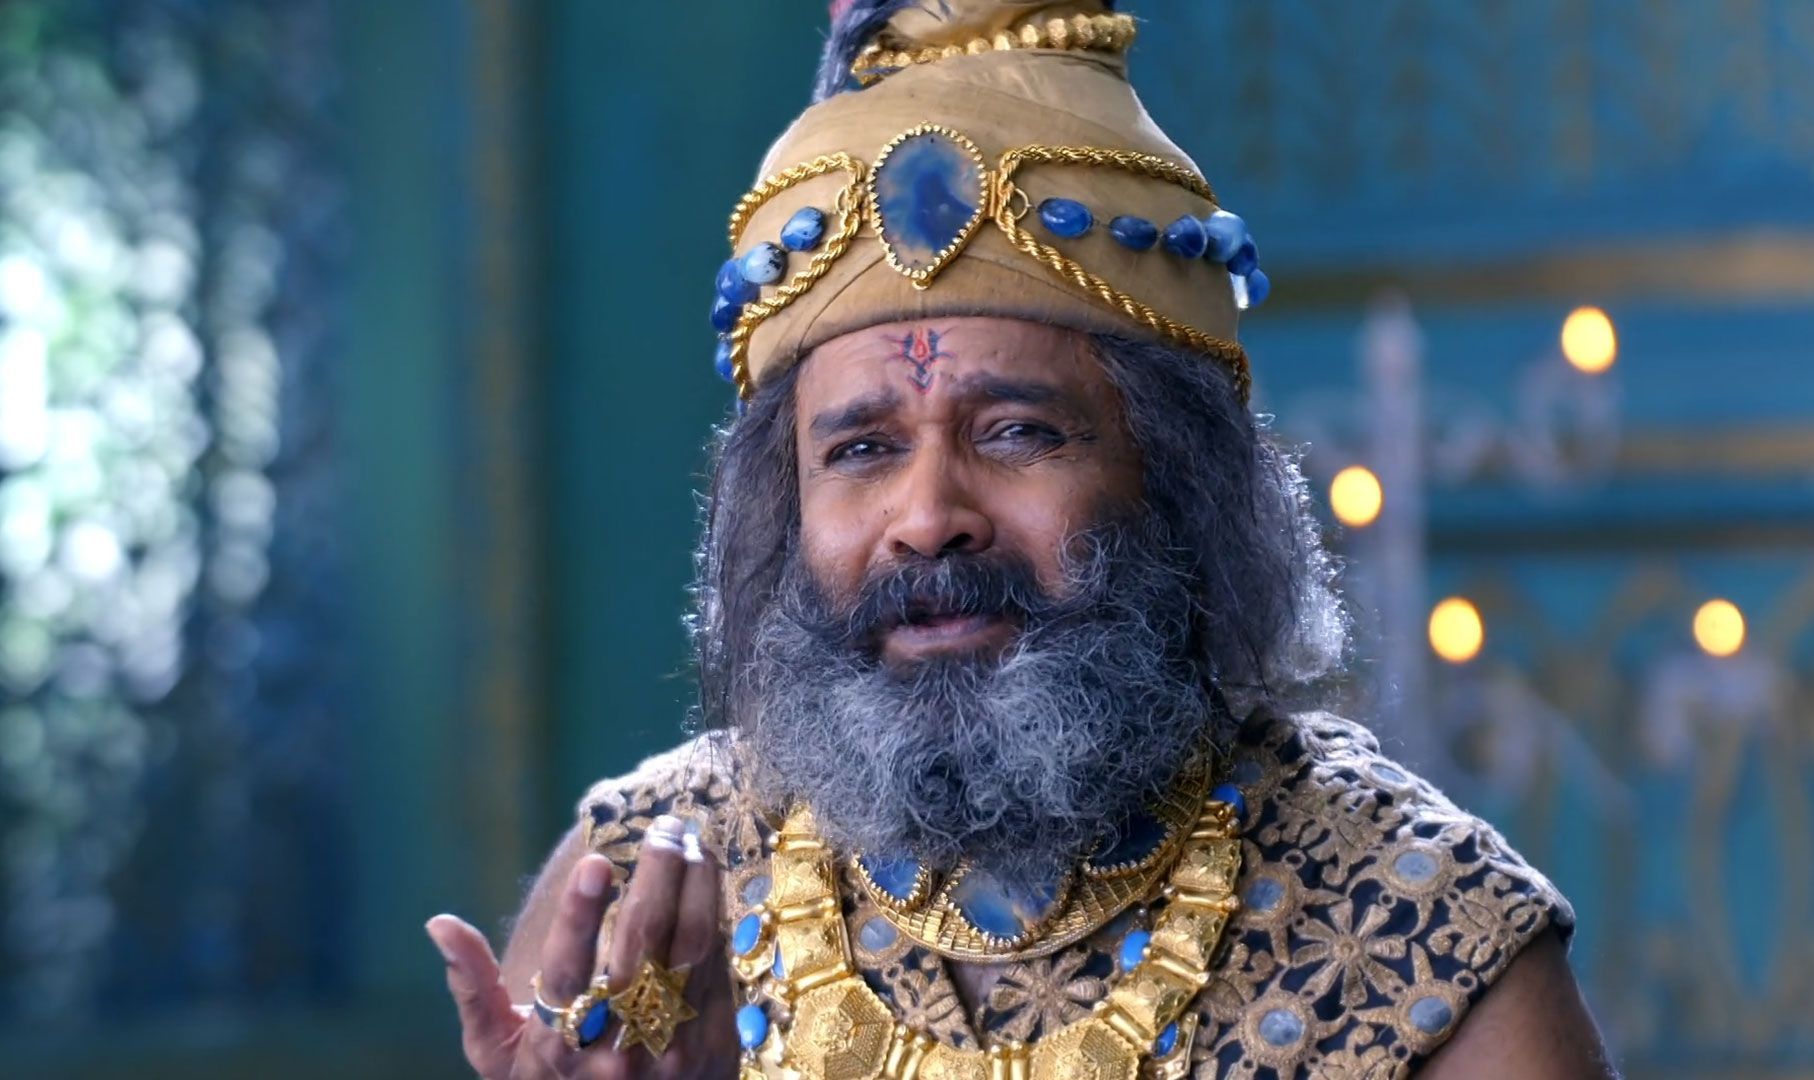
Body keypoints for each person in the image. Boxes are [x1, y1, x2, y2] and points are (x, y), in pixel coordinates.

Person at [424, 2, 1614, 1076]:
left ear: (1181, 479)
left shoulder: (1428, 944)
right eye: (861, 450)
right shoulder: (644, 896)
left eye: (1018, 433)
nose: (929, 516)